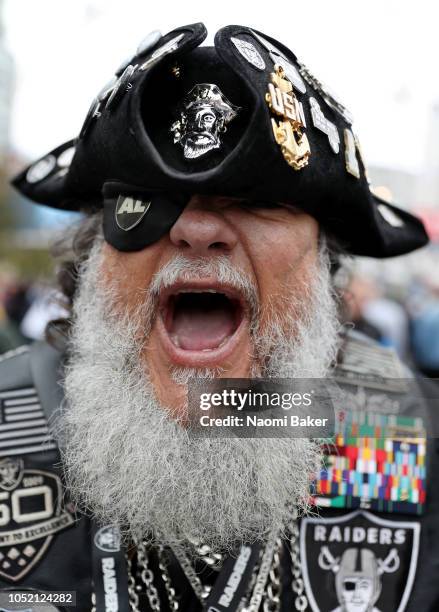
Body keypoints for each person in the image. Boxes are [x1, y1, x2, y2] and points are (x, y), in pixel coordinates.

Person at [1, 22, 436, 612]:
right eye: (151, 198)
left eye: (257, 202)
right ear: (95, 254)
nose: (198, 230)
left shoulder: (415, 436)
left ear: (323, 260)